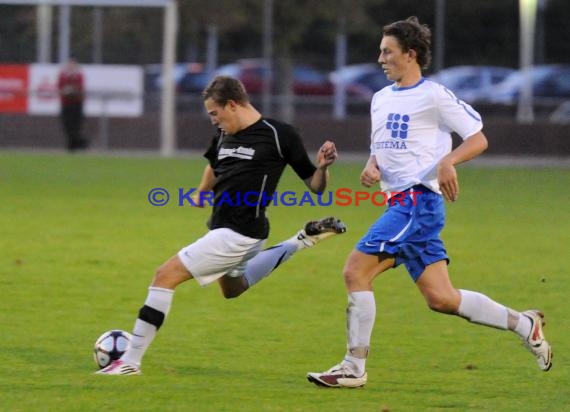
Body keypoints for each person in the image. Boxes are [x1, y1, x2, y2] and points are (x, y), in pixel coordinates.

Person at [307, 16, 552, 388]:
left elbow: (478, 138)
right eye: (380, 51)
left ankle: (353, 368)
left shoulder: (434, 95)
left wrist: (448, 161)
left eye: (387, 52)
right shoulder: (380, 98)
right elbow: (382, 148)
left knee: (355, 271)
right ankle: (524, 323)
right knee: (442, 298)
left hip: (417, 204)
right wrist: (373, 167)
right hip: (398, 205)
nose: (380, 59)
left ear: (411, 54)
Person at [97, 75, 345, 375]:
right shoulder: (224, 135)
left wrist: (322, 168)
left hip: (238, 233)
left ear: (232, 104)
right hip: (235, 232)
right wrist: (201, 192)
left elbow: (315, 187)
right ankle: (302, 239)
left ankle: (129, 363)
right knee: (233, 289)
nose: (214, 120)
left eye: (215, 113)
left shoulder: (279, 134)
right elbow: (214, 165)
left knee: (165, 275)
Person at [58, 58, 88, 151]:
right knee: (67, 125)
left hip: (77, 104)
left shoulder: (79, 77)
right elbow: (61, 88)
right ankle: (79, 144)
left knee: (76, 126)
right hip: (66, 104)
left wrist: (71, 90)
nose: (71, 68)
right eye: (69, 66)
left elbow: (79, 89)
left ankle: (73, 147)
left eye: (73, 66)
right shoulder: (62, 76)